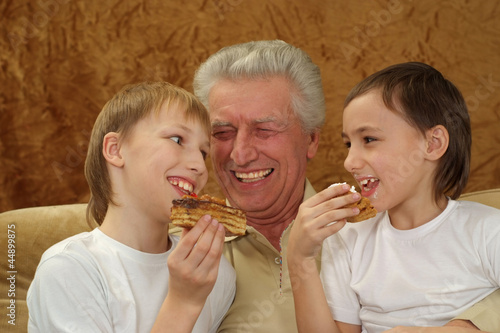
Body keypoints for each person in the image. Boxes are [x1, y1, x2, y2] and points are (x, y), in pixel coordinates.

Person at [192, 40, 499, 332]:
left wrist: (464, 326)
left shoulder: (345, 234)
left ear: (311, 139)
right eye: (223, 132)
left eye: (265, 129)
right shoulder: (181, 251)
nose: (241, 154)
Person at [287, 62, 500, 332]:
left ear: (432, 144)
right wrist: (300, 259)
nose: (349, 162)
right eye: (348, 144)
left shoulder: (488, 231)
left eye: (369, 139)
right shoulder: (347, 239)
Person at [27, 82, 236, 332]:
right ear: (115, 150)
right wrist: (184, 302)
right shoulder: (69, 269)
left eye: (203, 152)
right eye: (177, 139)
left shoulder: (215, 272)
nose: (200, 167)